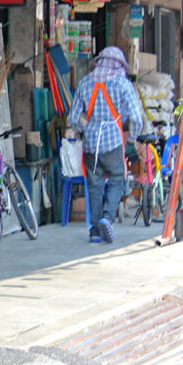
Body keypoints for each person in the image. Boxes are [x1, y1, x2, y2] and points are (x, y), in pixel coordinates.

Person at [67, 46, 143, 244]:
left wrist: (83, 130)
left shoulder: (85, 83)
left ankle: (94, 231)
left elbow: (73, 118)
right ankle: (107, 219)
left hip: (91, 142)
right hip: (113, 141)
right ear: (119, 65)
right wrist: (133, 138)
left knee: (95, 184)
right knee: (118, 178)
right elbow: (136, 118)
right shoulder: (123, 84)